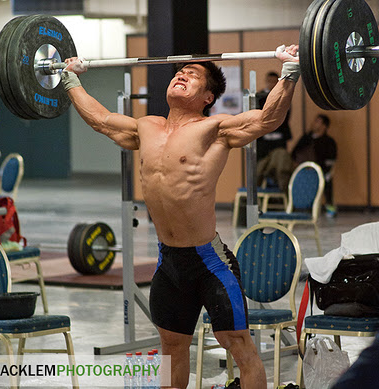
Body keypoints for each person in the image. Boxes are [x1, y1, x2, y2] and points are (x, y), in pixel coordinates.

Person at [61, 44, 300, 389]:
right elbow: (100, 120)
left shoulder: (215, 129)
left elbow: (267, 118)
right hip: (168, 262)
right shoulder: (146, 128)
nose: (182, 74)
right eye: (180, 71)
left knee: (239, 347)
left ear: (207, 97)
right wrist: (70, 81)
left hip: (210, 263)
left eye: (193, 74)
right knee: (172, 349)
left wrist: (290, 71)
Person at [291, 114, 337, 215]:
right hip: (303, 170)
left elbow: (331, 160)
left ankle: (329, 205)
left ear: (324, 126)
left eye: (318, 122)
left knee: (327, 179)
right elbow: (294, 153)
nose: (314, 124)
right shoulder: (306, 138)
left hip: (321, 171)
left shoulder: (329, 141)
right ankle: (297, 206)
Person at [256, 71, 293, 191]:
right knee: (259, 169)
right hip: (263, 141)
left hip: (279, 140)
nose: (271, 84)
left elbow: (285, 116)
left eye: (274, 82)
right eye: (270, 81)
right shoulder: (259, 97)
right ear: (266, 81)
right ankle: (255, 196)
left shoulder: (284, 95)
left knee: (281, 167)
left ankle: (283, 193)